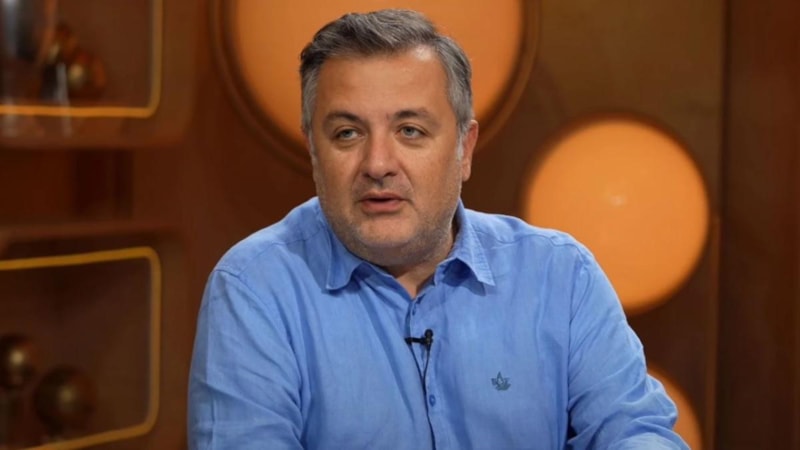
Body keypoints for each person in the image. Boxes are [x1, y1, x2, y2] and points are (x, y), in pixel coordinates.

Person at [188, 8, 688, 450]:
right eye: (347, 133)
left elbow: (636, 430)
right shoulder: (255, 288)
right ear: (314, 151)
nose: (378, 164)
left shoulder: (561, 276)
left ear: (464, 149)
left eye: (410, 131)